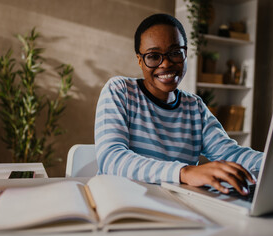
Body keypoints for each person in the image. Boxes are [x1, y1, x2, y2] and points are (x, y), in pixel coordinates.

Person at [94, 13, 262, 196]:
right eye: (153, 56)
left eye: (175, 53)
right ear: (140, 60)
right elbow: (111, 160)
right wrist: (184, 172)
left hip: (177, 206)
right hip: (122, 202)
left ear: (185, 54)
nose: (166, 63)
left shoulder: (194, 108)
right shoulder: (120, 90)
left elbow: (231, 154)